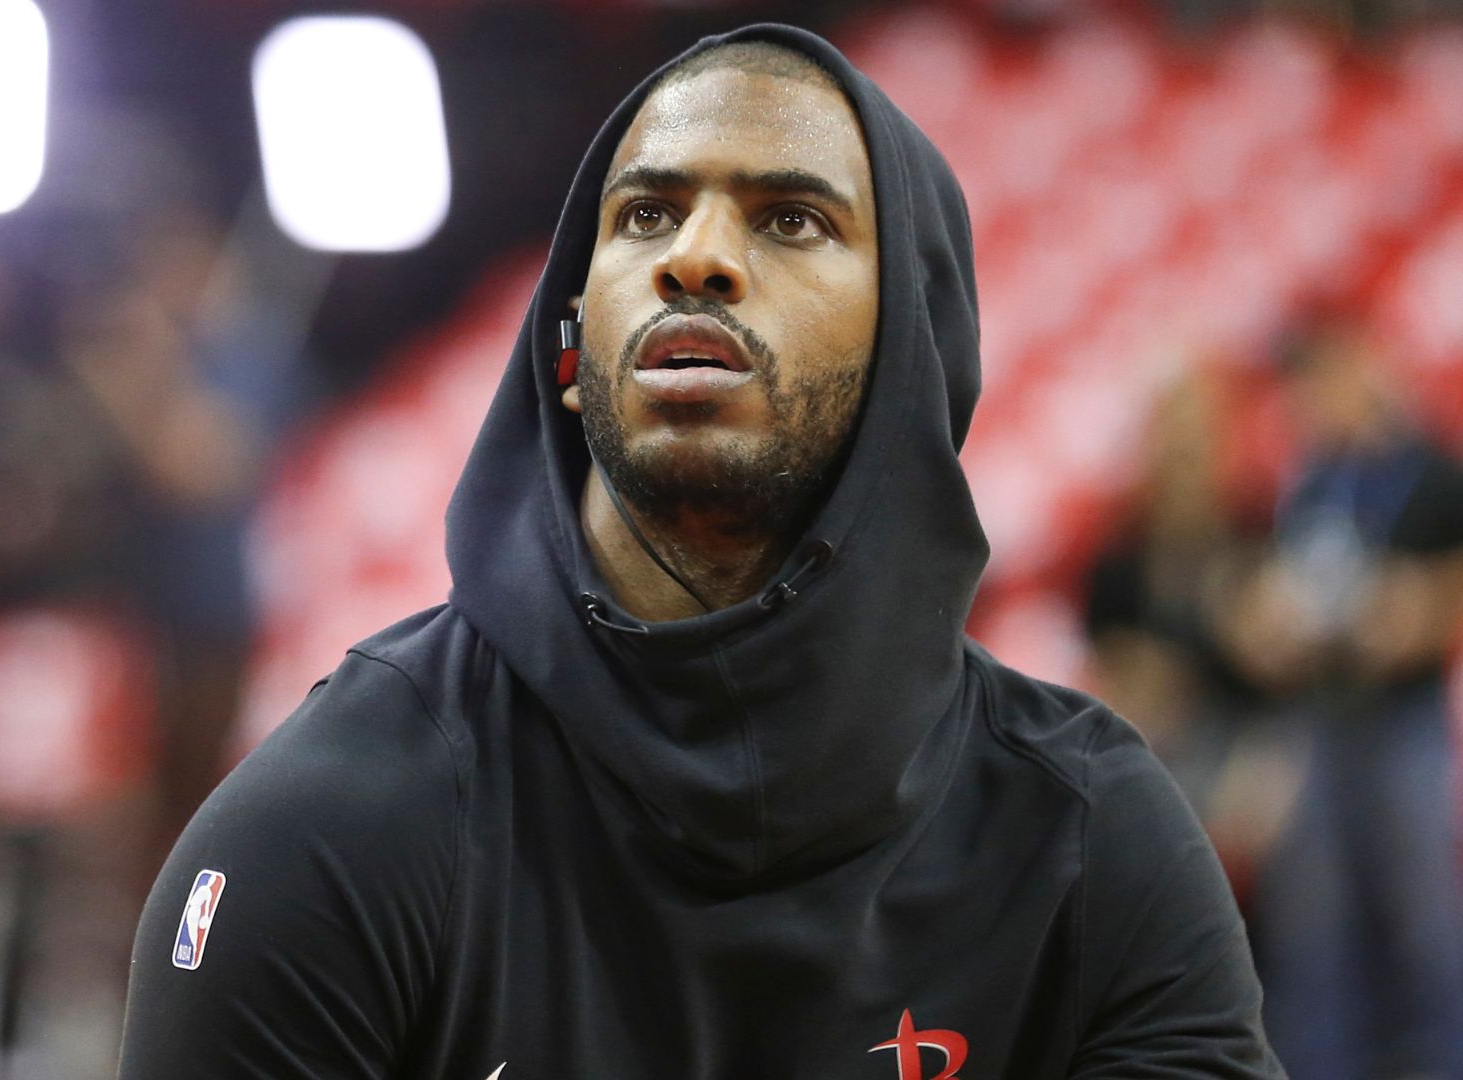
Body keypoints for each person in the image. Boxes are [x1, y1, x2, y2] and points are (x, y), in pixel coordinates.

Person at [118, 24, 1283, 1078]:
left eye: (791, 219)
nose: (696, 257)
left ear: (913, 358)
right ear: (568, 354)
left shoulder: (1090, 838)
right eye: (645, 215)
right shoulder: (333, 824)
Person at [1240, 322, 1463, 1080]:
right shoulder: (1312, 485)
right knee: (1315, 918)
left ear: (1360, 371)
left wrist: (1418, 612)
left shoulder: (1433, 473)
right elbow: (1276, 597)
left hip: (1402, 718)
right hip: (1321, 712)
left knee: (1420, 911)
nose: (1306, 402)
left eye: (1317, 381)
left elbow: (1444, 595)